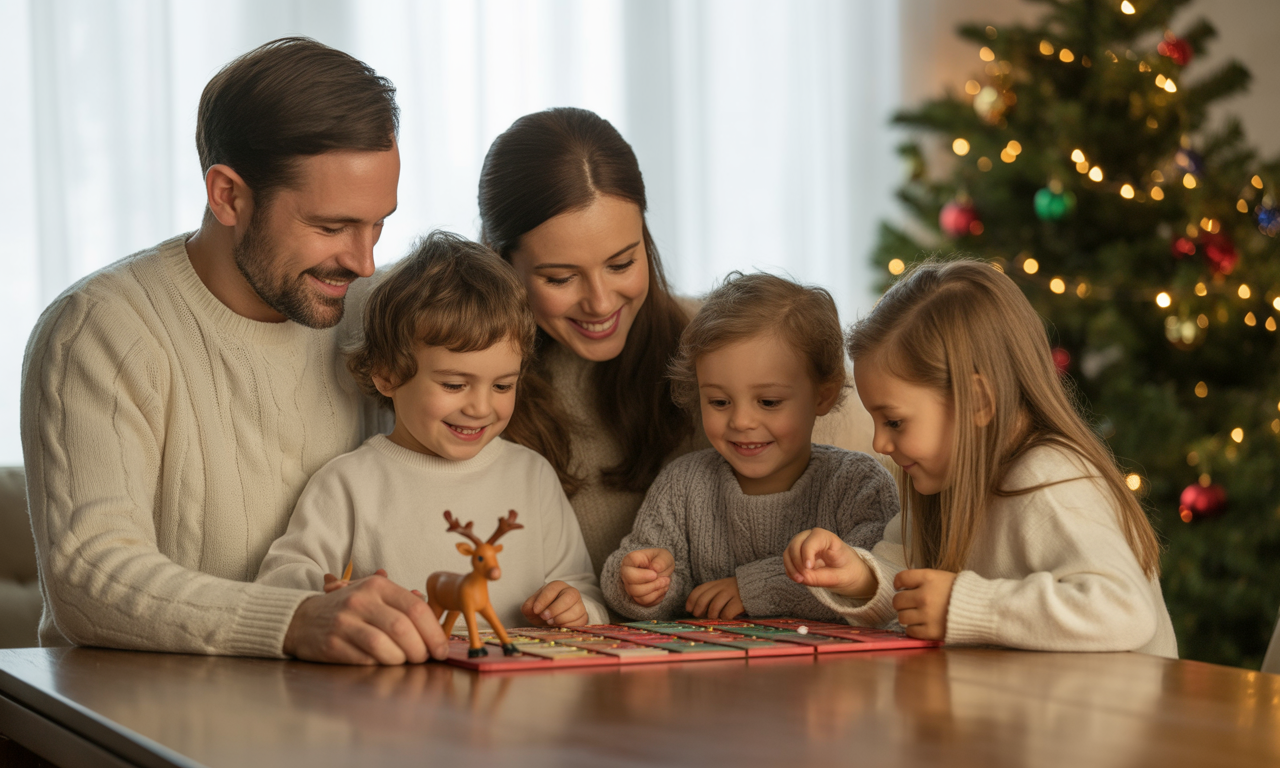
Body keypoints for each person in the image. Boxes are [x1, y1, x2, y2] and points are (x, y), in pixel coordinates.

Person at [21, 38, 449, 665]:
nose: (364, 261)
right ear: (227, 196)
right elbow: (89, 576)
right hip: (133, 726)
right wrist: (295, 620)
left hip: (343, 712)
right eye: (331, 227)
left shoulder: (378, 311)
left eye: (378, 223)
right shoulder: (102, 329)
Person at [477, 107, 876, 575]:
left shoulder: (722, 343)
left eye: (622, 264)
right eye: (562, 278)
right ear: (502, 264)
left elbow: (874, 466)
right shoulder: (465, 371)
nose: (601, 303)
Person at [783, 260, 1177, 657]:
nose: (880, 442)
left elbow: (1124, 610)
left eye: (895, 422)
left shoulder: (1050, 477)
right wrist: (861, 578)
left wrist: (965, 605)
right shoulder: (944, 477)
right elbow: (909, 585)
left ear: (977, 402)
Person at [256, 231, 608, 632]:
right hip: (405, 688)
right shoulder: (349, 483)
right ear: (387, 375)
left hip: (519, 688)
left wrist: (577, 608)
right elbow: (280, 580)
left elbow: (583, 590)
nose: (480, 407)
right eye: (454, 385)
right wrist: (335, 596)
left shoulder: (534, 476)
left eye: (502, 386)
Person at [599, 273, 898, 620]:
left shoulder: (859, 484)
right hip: (708, 670)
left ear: (823, 394)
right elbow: (637, 579)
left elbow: (879, 585)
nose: (741, 421)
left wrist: (755, 588)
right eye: (719, 402)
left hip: (827, 672)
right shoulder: (682, 484)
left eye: (768, 402)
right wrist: (642, 586)